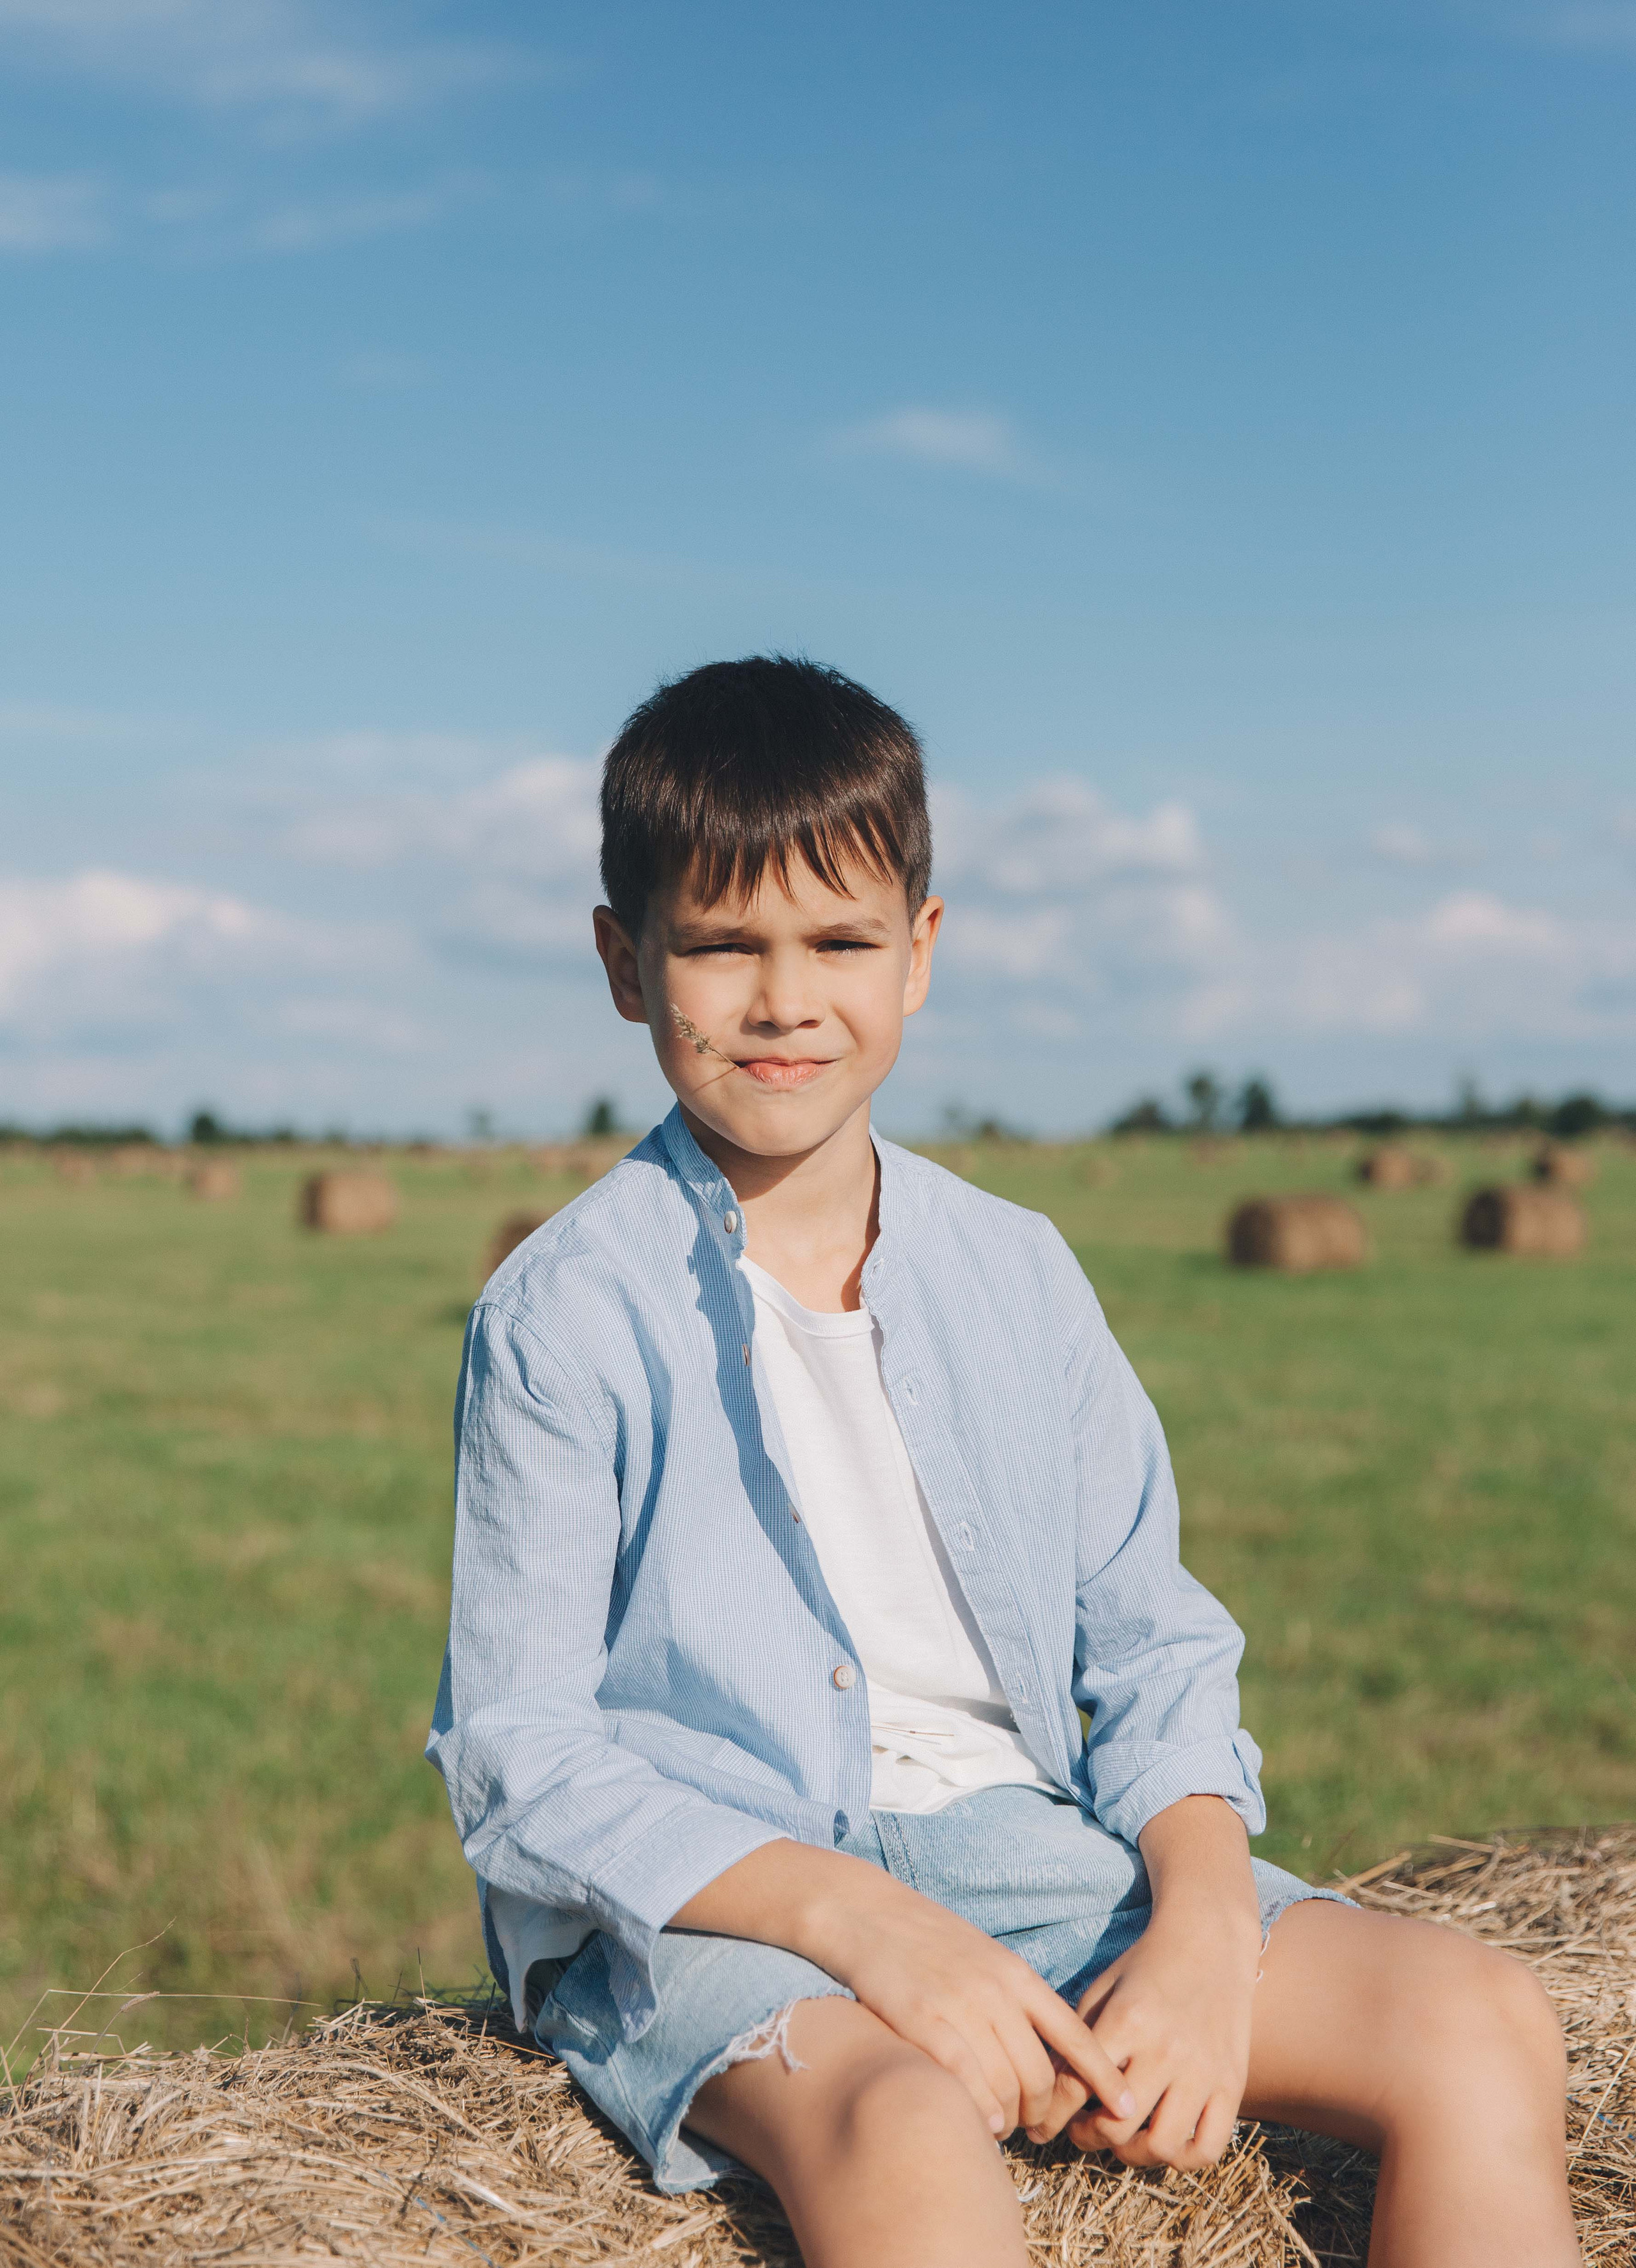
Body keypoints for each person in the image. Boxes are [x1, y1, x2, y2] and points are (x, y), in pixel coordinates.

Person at [428, 656, 1578, 2268]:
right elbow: (522, 1755)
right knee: (902, 2134)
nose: (782, 999)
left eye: (837, 942)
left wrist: (1191, 1924)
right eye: (720, 946)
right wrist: (864, 1923)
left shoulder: (1017, 1269)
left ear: (922, 951)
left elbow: (1154, 1637)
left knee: (1475, 2018)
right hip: (718, 1899)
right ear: (626, 964)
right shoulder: (563, 1312)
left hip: (1027, 1851)